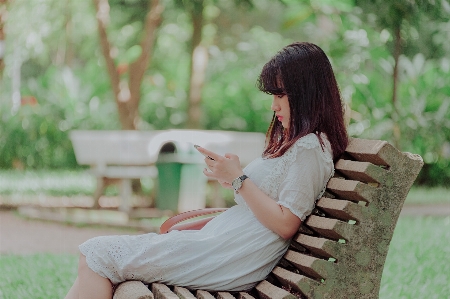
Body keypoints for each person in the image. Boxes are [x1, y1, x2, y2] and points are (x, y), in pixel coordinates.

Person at [65, 41, 348, 299]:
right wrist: (232, 176)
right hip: (220, 245)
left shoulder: (310, 147)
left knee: (96, 254)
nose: (274, 106)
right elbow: (268, 203)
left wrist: (238, 178)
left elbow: (287, 223)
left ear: (306, 92)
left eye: (281, 95)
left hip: (230, 256)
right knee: (95, 254)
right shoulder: (301, 144)